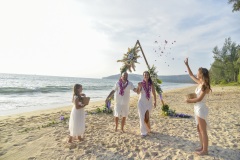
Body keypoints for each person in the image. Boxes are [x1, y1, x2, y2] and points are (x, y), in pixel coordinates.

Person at [184, 58, 211, 156]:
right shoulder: (200, 83)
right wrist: (187, 65)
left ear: (201, 74)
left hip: (201, 108)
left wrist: (189, 101)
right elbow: (191, 75)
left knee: (203, 130)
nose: (196, 73)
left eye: (198, 72)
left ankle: (205, 150)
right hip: (196, 108)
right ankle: (202, 146)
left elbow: (199, 99)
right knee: (199, 129)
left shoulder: (205, 85)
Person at [137, 71, 156, 136]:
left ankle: (148, 129)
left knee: (147, 117)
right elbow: (138, 92)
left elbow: (153, 92)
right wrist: (139, 87)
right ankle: (143, 132)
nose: (146, 76)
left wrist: (155, 101)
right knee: (142, 117)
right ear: (143, 76)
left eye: (147, 75)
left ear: (149, 76)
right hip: (141, 102)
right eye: (145, 75)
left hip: (149, 102)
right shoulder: (141, 83)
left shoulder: (151, 84)